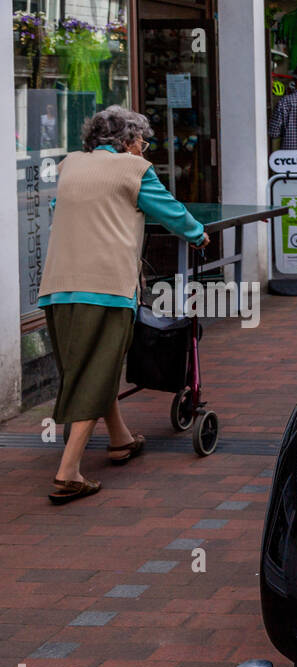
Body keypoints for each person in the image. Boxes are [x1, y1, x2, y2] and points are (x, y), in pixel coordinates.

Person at [36, 106, 209, 504]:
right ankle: (69, 471)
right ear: (128, 141)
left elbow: (60, 211)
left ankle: (120, 440)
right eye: (142, 142)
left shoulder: (69, 166)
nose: (144, 149)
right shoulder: (135, 169)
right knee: (97, 368)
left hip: (58, 287)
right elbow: (171, 213)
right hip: (107, 287)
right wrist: (198, 235)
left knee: (91, 365)